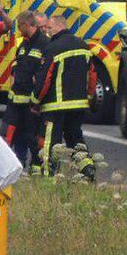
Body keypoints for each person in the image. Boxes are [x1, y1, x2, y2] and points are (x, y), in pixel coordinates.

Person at [33, 13, 96, 179]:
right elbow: (92, 76)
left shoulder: (52, 48)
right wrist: (88, 97)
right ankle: (87, 168)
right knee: (75, 137)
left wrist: (35, 100)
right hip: (79, 105)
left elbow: (45, 79)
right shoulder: (83, 45)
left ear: (57, 27)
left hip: (56, 105)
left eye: (49, 28)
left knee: (50, 143)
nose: (47, 31)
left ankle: (48, 175)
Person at [3, 10, 49, 172]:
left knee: (33, 138)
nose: (19, 30)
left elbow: (44, 73)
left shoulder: (44, 44)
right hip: (16, 102)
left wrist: (36, 100)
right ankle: (17, 167)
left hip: (32, 103)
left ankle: (36, 168)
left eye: (20, 26)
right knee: (15, 137)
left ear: (26, 25)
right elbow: (17, 64)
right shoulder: (23, 44)